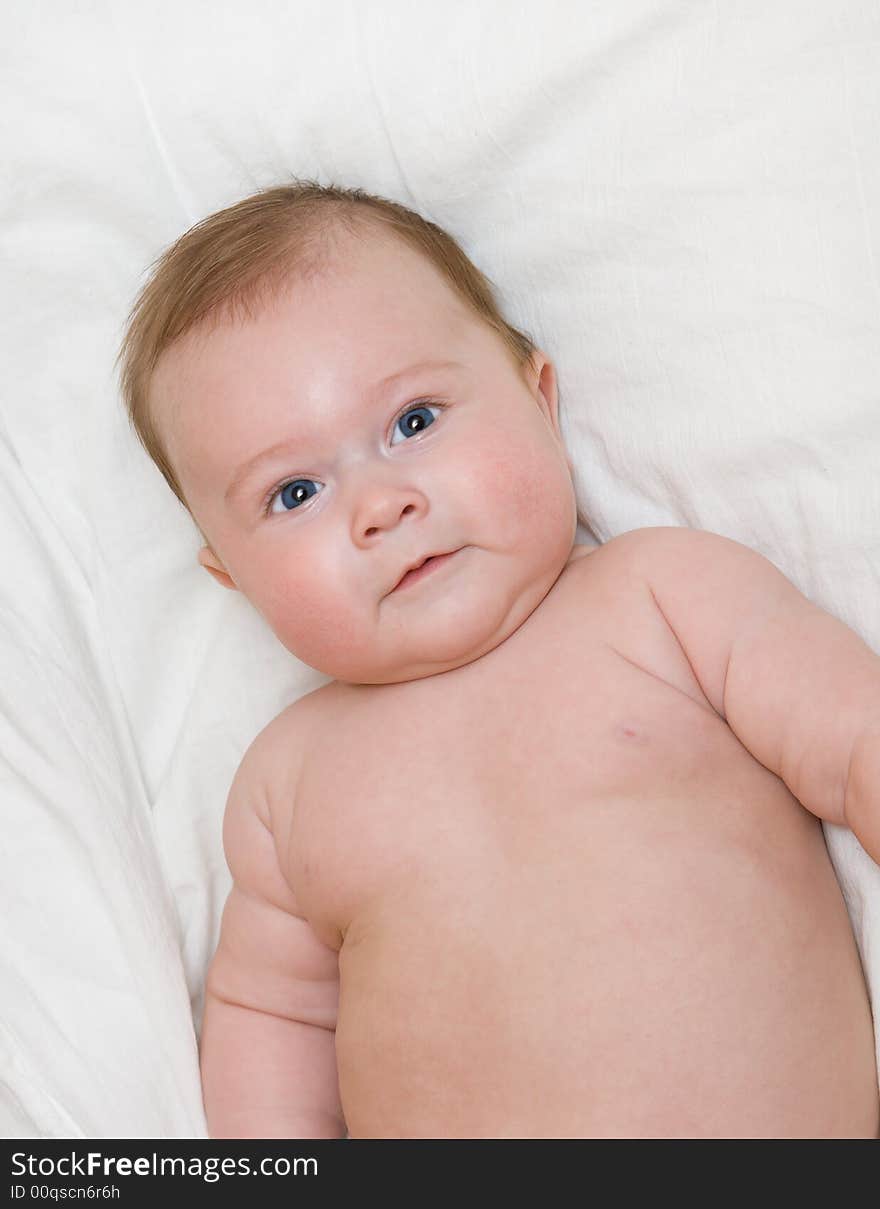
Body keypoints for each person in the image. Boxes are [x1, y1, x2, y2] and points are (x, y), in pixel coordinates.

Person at [117, 181, 880, 1138]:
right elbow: (270, 1018)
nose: (380, 503)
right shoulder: (287, 784)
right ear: (231, 576)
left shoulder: (666, 598)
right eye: (297, 490)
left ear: (539, 396)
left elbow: (856, 739)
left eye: (416, 422)